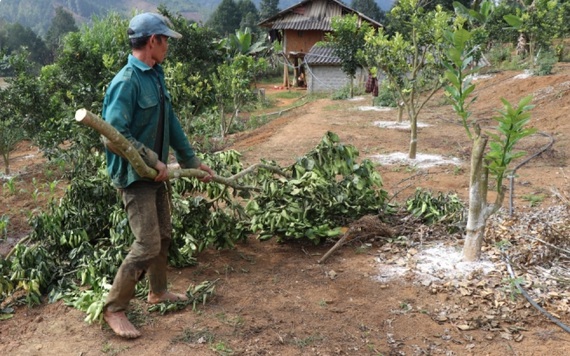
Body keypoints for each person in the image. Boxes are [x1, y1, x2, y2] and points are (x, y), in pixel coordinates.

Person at [101, 12, 215, 339]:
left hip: (156, 176)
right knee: (148, 242)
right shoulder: (126, 82)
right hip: (135, 178)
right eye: (165, 40)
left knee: (164, 234)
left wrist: (191, 160)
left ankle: (157, 291)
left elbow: (171, 122)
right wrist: (152, 158)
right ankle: (115, 308)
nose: (168, 47)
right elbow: (113, 135)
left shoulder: (155, 74)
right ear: (153, 41)